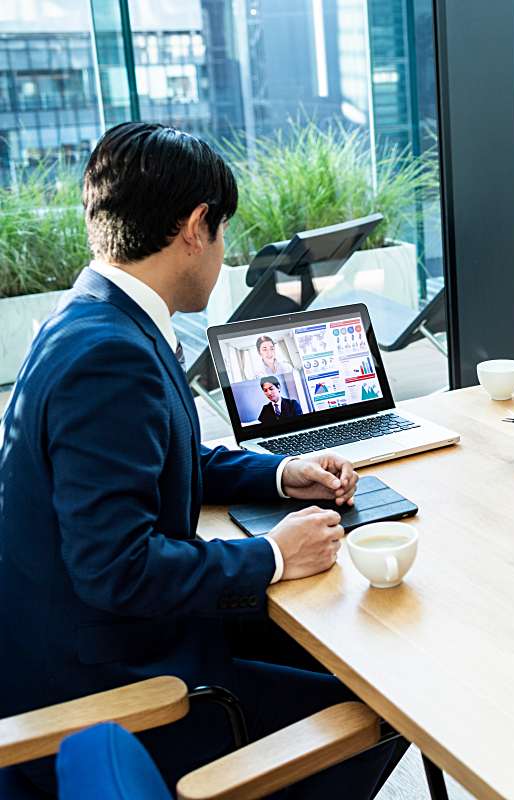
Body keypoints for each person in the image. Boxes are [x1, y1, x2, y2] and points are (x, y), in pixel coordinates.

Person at [0, 122, 405, 795]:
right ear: (196, 227)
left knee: (349, 654)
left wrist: (280, 473)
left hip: (98, 643)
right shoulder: (110, 357)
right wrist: (274, 555)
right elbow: (117, 570)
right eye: (224, 235)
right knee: (392, 702)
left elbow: (163, 454)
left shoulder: (91, 317)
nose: (223, 257)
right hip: (118, 691)